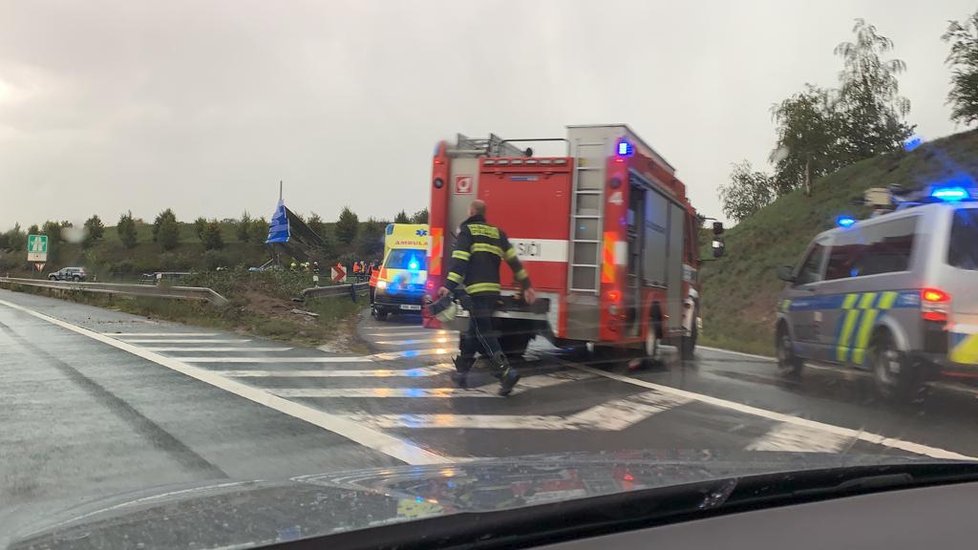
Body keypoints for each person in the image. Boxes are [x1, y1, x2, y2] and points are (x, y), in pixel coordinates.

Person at [438, 199, 536, 396]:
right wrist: (526, 286)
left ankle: (506, 373)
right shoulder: (498, 233)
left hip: (475, 291)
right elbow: (514, 262)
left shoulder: (467, 232)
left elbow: (460, 262)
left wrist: (448, 286)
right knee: (473, 332)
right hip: (492, 292)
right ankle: (462, 373)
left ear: (472, 211)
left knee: (483, 333)